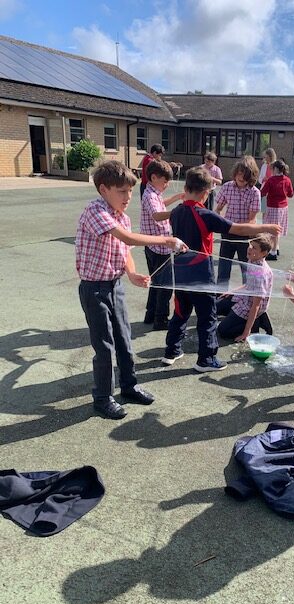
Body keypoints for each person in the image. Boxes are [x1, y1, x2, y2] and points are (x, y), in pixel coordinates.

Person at [76, 160, 187, 420]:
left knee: (124, 340)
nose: (128, 197)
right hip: (94, 289)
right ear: (104, 189)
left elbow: (124, 249)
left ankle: (129, 385)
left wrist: (133, 273)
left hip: (115, 286)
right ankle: (103, 398)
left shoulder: (122, 217)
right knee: (105, 346)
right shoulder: (95, 211)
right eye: (122, 191)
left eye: (129, 191)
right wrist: (167, 240)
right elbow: (127, 238)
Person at [161, 167, 281, 372]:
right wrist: (266, 227)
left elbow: (159, 216)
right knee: (207, 316)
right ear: (206, 192)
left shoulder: (176, 213)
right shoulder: (204, 214)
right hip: (200, 274)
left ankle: (171, 351)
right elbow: (239, 229)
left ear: (186, 187)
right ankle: (206, 360)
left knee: (180, 312)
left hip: (180, 272)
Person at [141, 159, 184, 330]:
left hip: (154, 246)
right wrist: (177, 212)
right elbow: (157, 215)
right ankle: (161, 319)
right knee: (165, 285)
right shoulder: (150, 195)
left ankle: (150, 314)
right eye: (164, 181)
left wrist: (176, 197)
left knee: (156, 282)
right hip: (158, 247)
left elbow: (161, 204)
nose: (166, 184)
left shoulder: (154, 193)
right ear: (153, 177)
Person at [215, 156, 263, 287]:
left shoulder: (255, 193)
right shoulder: (227, 187)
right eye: (239, 175)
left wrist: (237, 228)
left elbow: (252, 220)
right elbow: (218, 208)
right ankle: (220, 297)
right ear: (235, 173)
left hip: (245, 236)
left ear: (251, 177)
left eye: (245, 177)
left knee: (246, 269)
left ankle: (246, 297)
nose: (241, 179)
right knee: (223, 269)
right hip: (227, 233)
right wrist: (217, 217)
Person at [216, 234, 274, 341]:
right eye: (250, 245)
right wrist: (232, 291)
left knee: (222, 331)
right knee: (215, 306)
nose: (249, 249)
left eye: (254, 247)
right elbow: (248, 285)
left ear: (264, 253)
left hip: (250, 306)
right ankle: (237, 318)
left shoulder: (261, 274)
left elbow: (256, 305)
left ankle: (255, 322)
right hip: (244, 298)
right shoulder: (253, 261)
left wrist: (246, 333)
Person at [260, 159, 294, 260]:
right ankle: (276, 248)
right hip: (283, 208)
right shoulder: (287, 180)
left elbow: (263, 192)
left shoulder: (271, 180)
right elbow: (291, 194)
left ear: (275, 169)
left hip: (273, 207)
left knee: (272, 230)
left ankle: (273, 251)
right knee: (278, 229)